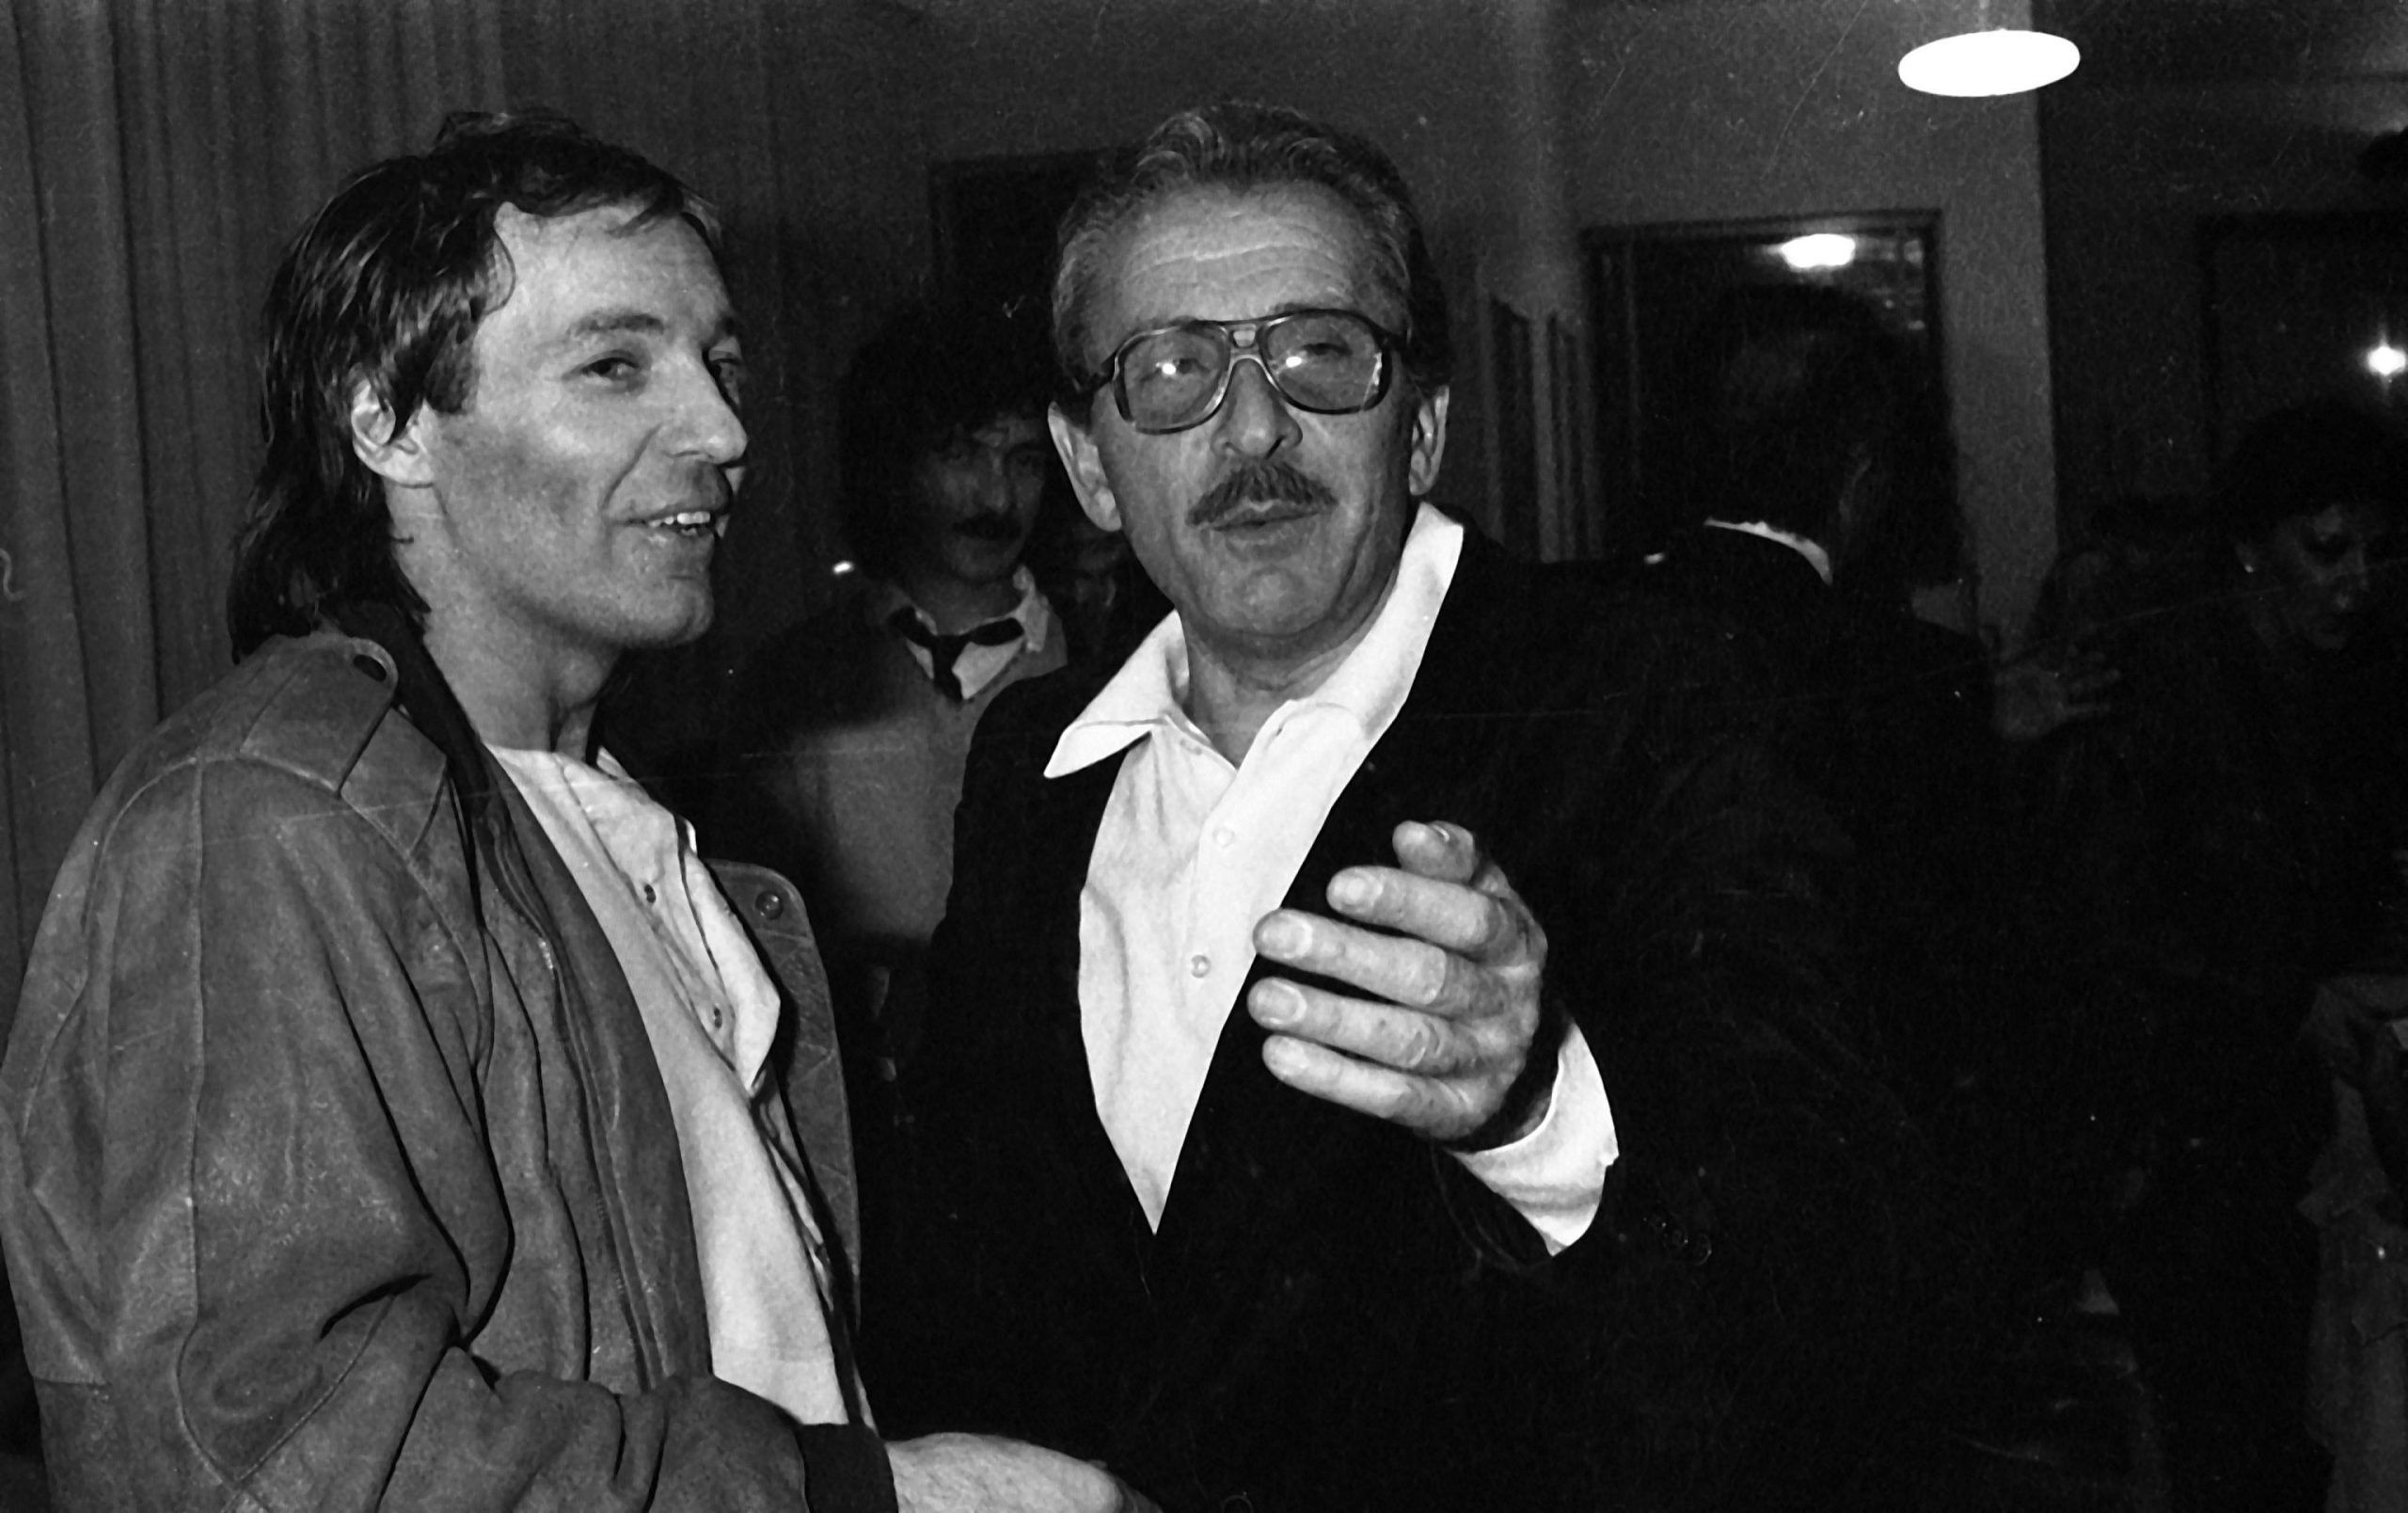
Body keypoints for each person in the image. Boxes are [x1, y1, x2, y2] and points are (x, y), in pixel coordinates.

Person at [0, 111, 1149, 1513]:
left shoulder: (605, 813)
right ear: (388, 423)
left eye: (723, 366)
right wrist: (862, 1492)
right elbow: (284, 1459)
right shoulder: (270, 819)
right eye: (616, 366)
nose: (724, 432)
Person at [866, 101, 1932, 1511]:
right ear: (1089, 469)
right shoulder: (1031, 764)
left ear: (1420, 430)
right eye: (1173, 368)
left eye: (1320, 354)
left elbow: (1837, 1269)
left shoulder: (1652, 701)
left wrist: (1537, 1103)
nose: (1255, 426)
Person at [2036, 398, 2408, 1511]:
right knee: (2235, 1434)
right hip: (2177, 1125)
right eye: (2326, 550)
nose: (2355, 581)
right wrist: (2286, 997)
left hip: (2263, 1117)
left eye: (2373, 552)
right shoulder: (2164, 678)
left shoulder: (2334, 673)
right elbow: (2104, 913)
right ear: (2251, 548)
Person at [717, 299, 1069, 1090]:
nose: (996, 495)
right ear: (892, 468)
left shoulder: (1105, 670)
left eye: (1024, 460)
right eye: (960, 455)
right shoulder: (795, 688)